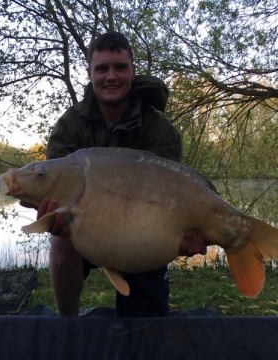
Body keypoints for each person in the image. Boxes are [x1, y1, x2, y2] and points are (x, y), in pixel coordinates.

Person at [23, 31, 207, 317]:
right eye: (102, 68)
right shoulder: (70, 126)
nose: (111, 76)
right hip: (84, 230)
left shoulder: (160, 131)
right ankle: (68, 324)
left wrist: (181, 234)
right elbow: (52, 185)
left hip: (141, 229)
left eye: (120, 67)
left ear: (133, 72)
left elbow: (171, 196)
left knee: (147, 328)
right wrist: (51, 213)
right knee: (61, 238)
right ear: (90, 73)